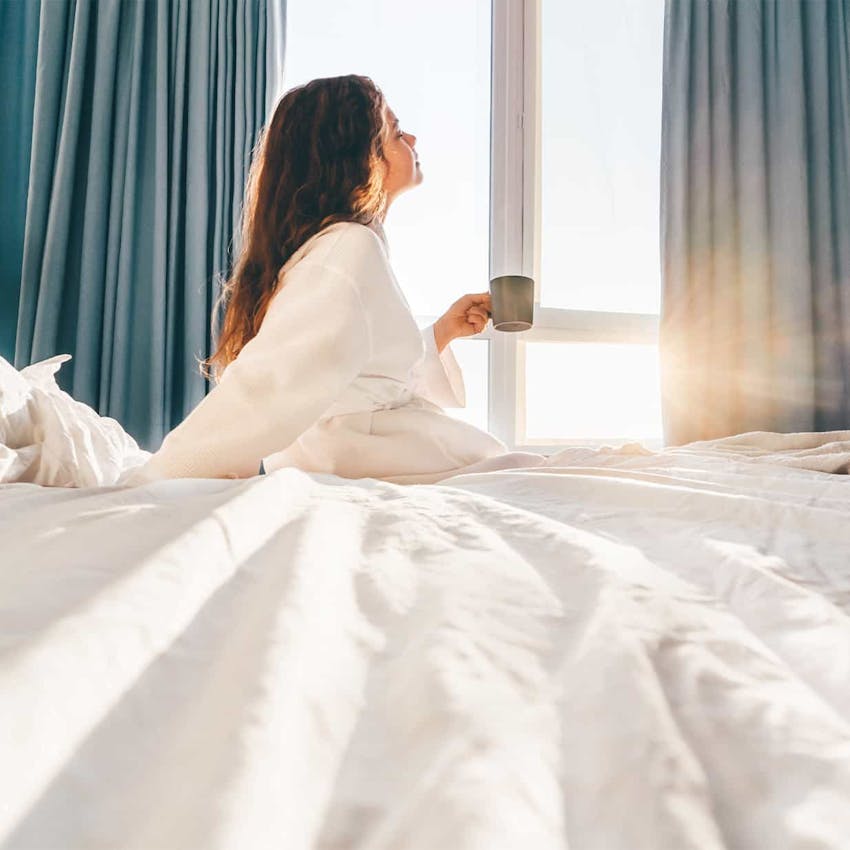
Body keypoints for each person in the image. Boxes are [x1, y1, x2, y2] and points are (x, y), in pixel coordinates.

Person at [129, 74, 538, 486]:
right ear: (360, 158)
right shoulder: (346, 249)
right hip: (369, 462)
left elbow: (359, 382)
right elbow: (271, 387)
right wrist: (155, 480)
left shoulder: (340, 247)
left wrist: (440, 335)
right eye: (395, 132)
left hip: (370, 456)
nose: (411, 138)